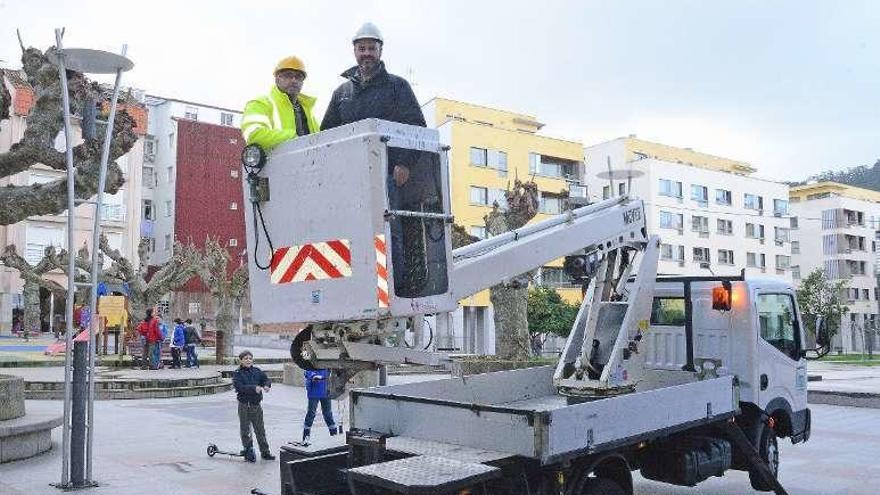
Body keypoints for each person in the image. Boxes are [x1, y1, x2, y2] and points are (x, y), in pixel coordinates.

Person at [240, 55, 318, 151]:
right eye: (288, 75)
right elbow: (254, 135)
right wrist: (294, 137)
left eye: (298, 77)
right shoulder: (260, 104)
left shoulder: (308, 112)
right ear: (277, 79)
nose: (294, 80)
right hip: (274, 165)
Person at [232, 350, 275, 462]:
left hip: (256, 405)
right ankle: (248, 451)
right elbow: (239, 387)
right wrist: (253, 388)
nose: (248, 360)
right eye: (245, 358)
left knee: (260, 429)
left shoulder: (257, 371)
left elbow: (266, 379)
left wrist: (266, 385)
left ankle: (265, 452)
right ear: (241, 360)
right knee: (245, 430)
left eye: (250, 358)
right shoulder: (238, 373)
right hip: (244, 405)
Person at [301, 369, 337, 444]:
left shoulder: (327, 361)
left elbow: (333, 370)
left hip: (326, 390)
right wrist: (313, 376)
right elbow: (307, 370)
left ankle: (334, 435)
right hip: (314, 390)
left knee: (328, 414)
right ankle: (306, 437)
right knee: (311, 413)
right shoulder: (311, 361)